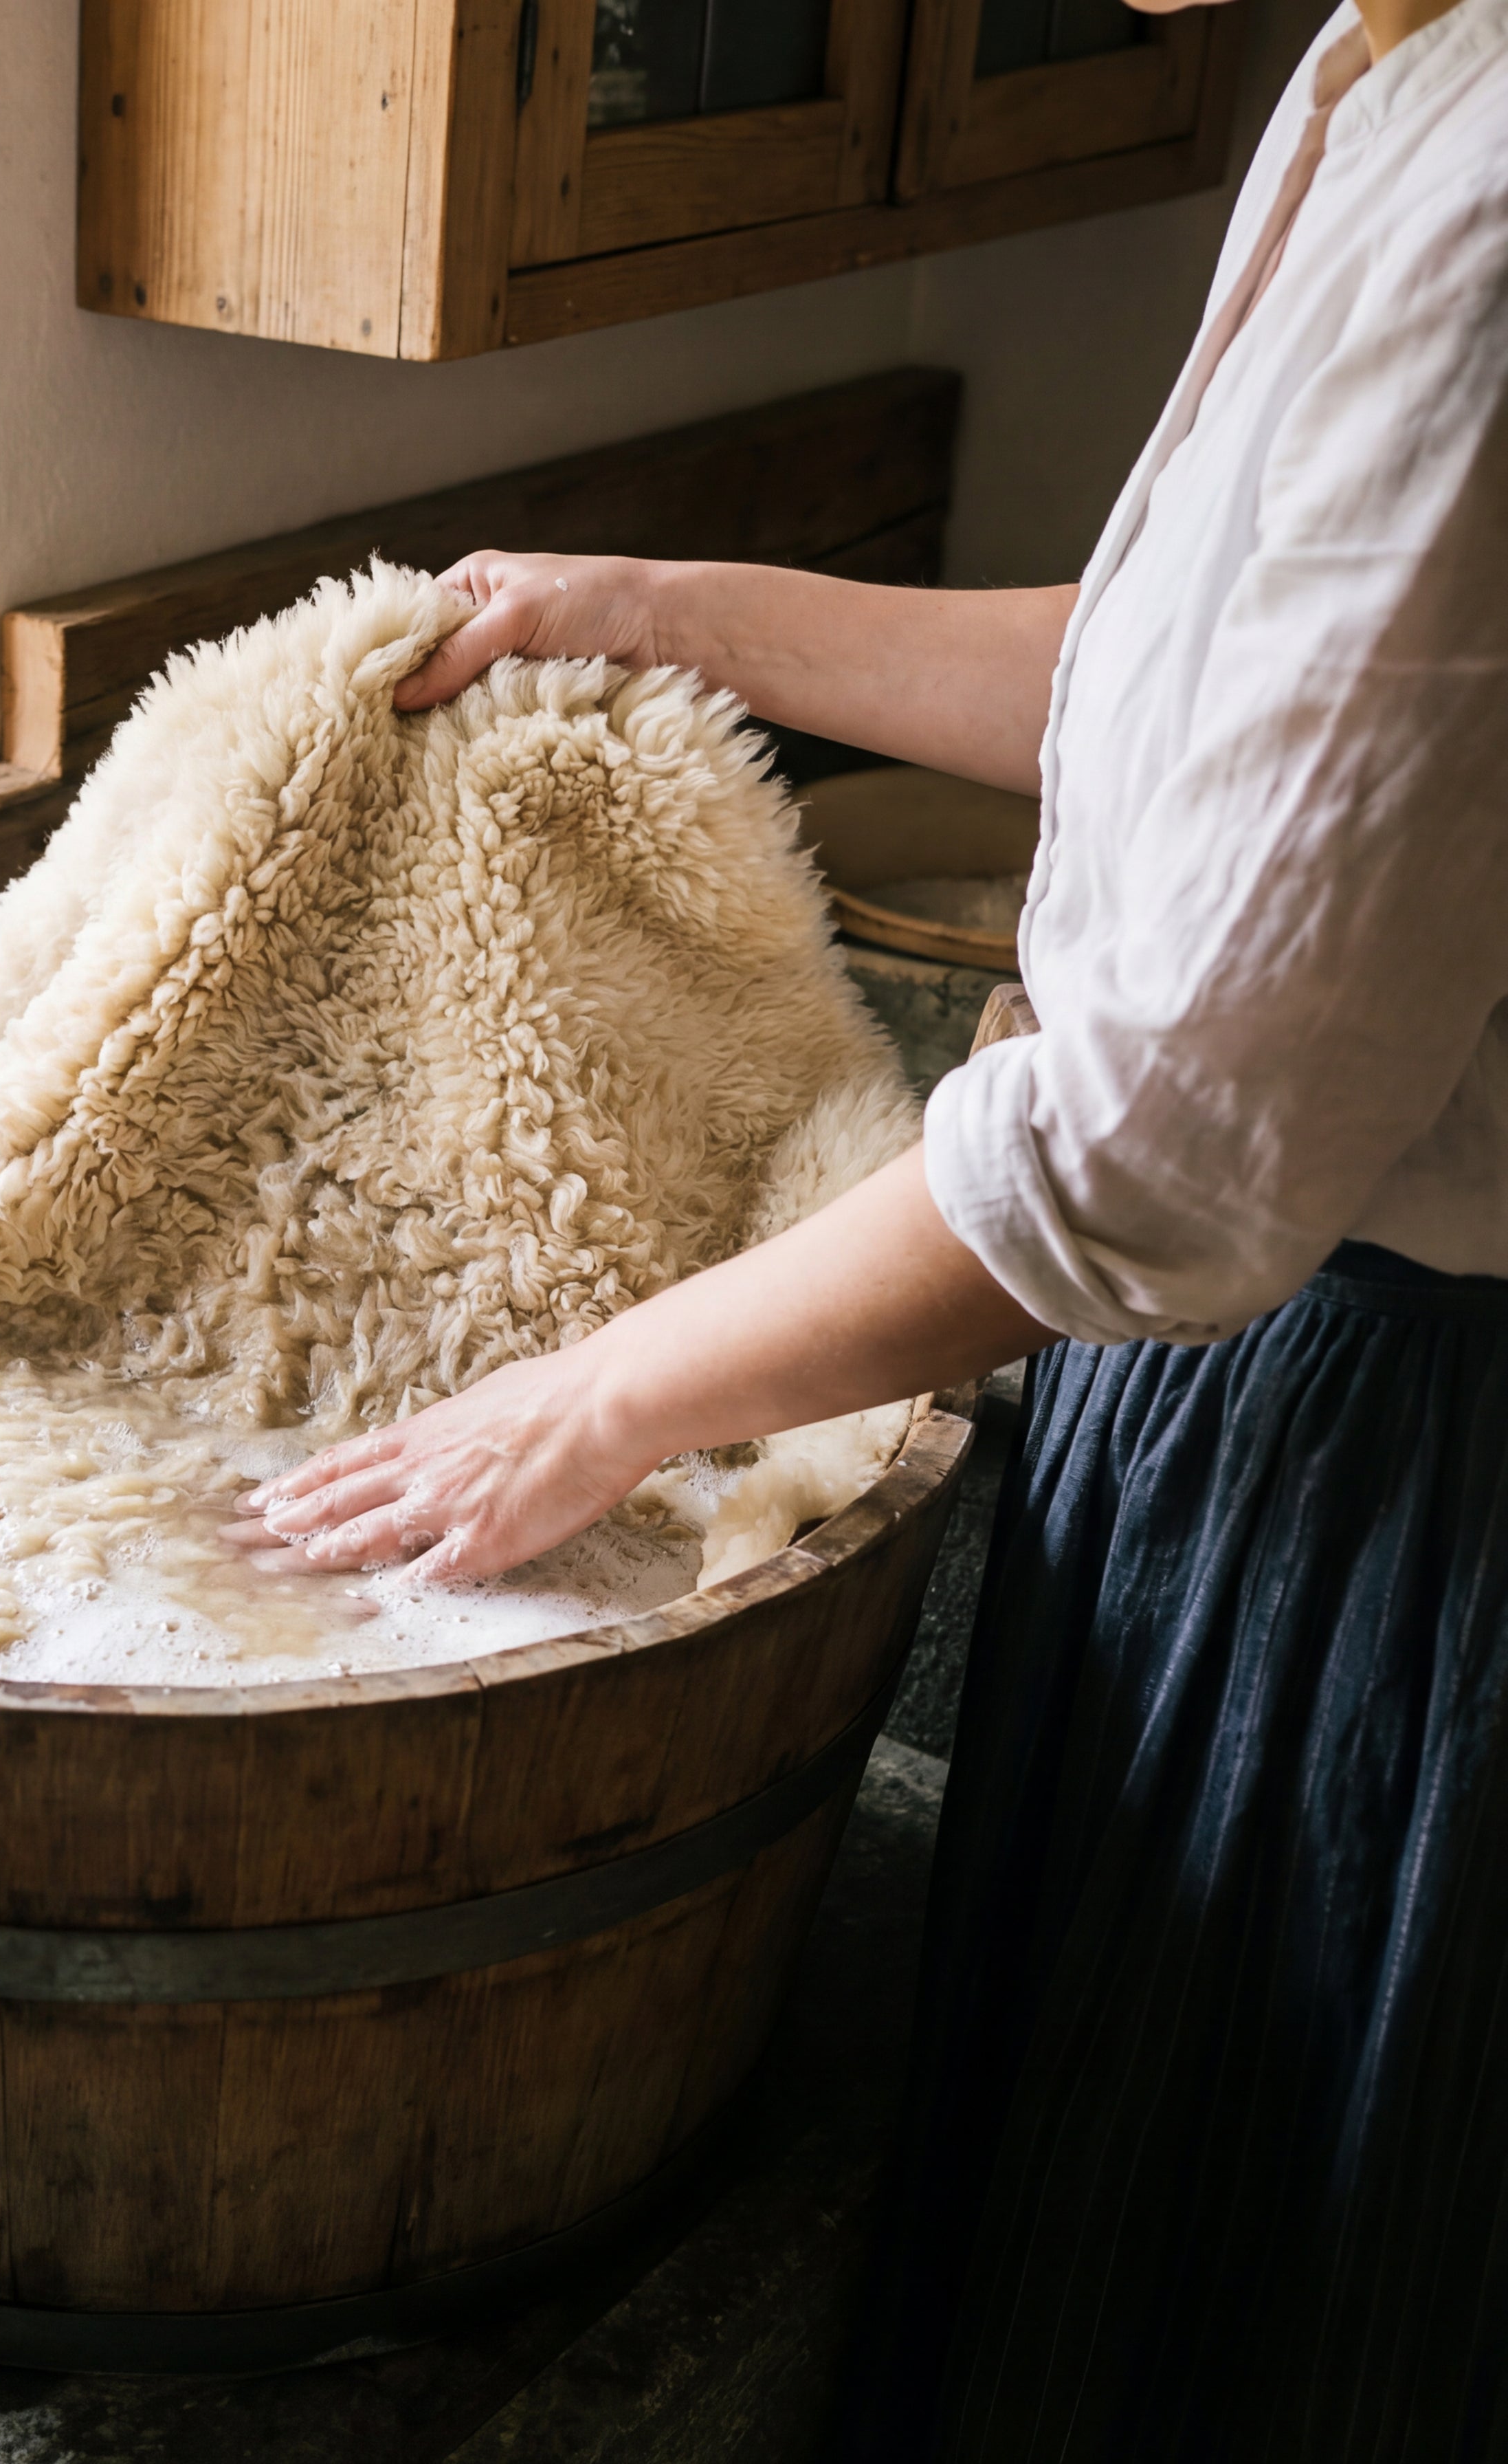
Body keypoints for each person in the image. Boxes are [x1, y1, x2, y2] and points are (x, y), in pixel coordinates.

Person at [235, 0, 1508, 2450]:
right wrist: (665, 607)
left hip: (1405, 1517)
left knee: (1250, 2316)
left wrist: (592, 1394)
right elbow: (1195, 695)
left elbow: (1161, 1147)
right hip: (1276, 1400)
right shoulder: (1387, 59)